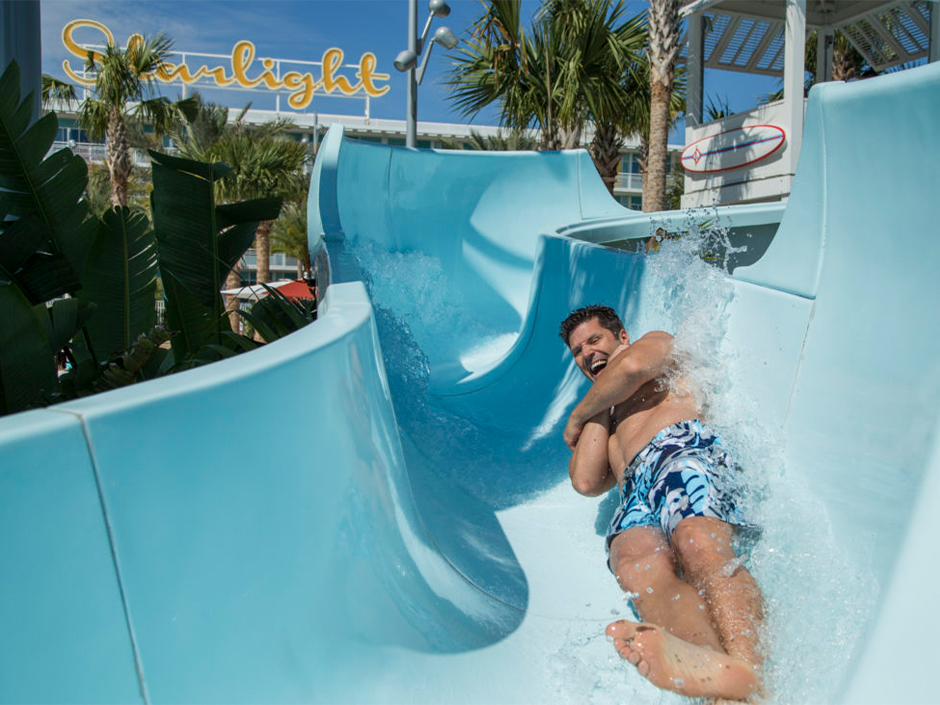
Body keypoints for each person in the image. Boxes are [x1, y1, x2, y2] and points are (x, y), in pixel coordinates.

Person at [560, 304, 764, 702]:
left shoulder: (655, 344)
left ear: (621, 336)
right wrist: (597, 407)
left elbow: (633, 367)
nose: (586, 353)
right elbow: (585, 480)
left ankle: (751, 672)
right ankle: (716, 679)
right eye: (577, 351)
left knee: (695, 540)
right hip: (635, 490)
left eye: (594, 340)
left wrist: (577, 414)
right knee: (634, 564)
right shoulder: (604, 413)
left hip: (680, 450)